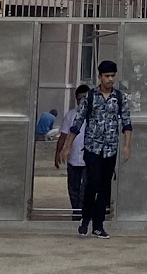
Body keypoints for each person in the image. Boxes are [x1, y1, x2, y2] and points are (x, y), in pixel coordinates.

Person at [70, 60, 131, 237]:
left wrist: (127, 146)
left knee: (105, 187)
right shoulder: (90, 97)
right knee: (93, 183)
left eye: (112, 76)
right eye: (106, 76)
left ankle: (98, 225)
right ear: (100, 77)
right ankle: (85, 219)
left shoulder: (119, 98)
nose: (110, 79)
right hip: (92, 148)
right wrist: (67, 146)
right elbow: (77, 122)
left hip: (110, 149)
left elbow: (127, 123)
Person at [53, 83, 90, 220]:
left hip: (89, 160)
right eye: (80, 99)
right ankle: (76, 213)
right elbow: (63, 135)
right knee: (73, 189)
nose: (82, 101)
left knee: (85, 190)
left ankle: (83, 214)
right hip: (73, 159)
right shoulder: (71, 115)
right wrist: (58, 152)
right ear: (76, 99)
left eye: (85, 98)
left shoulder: (95, 115)